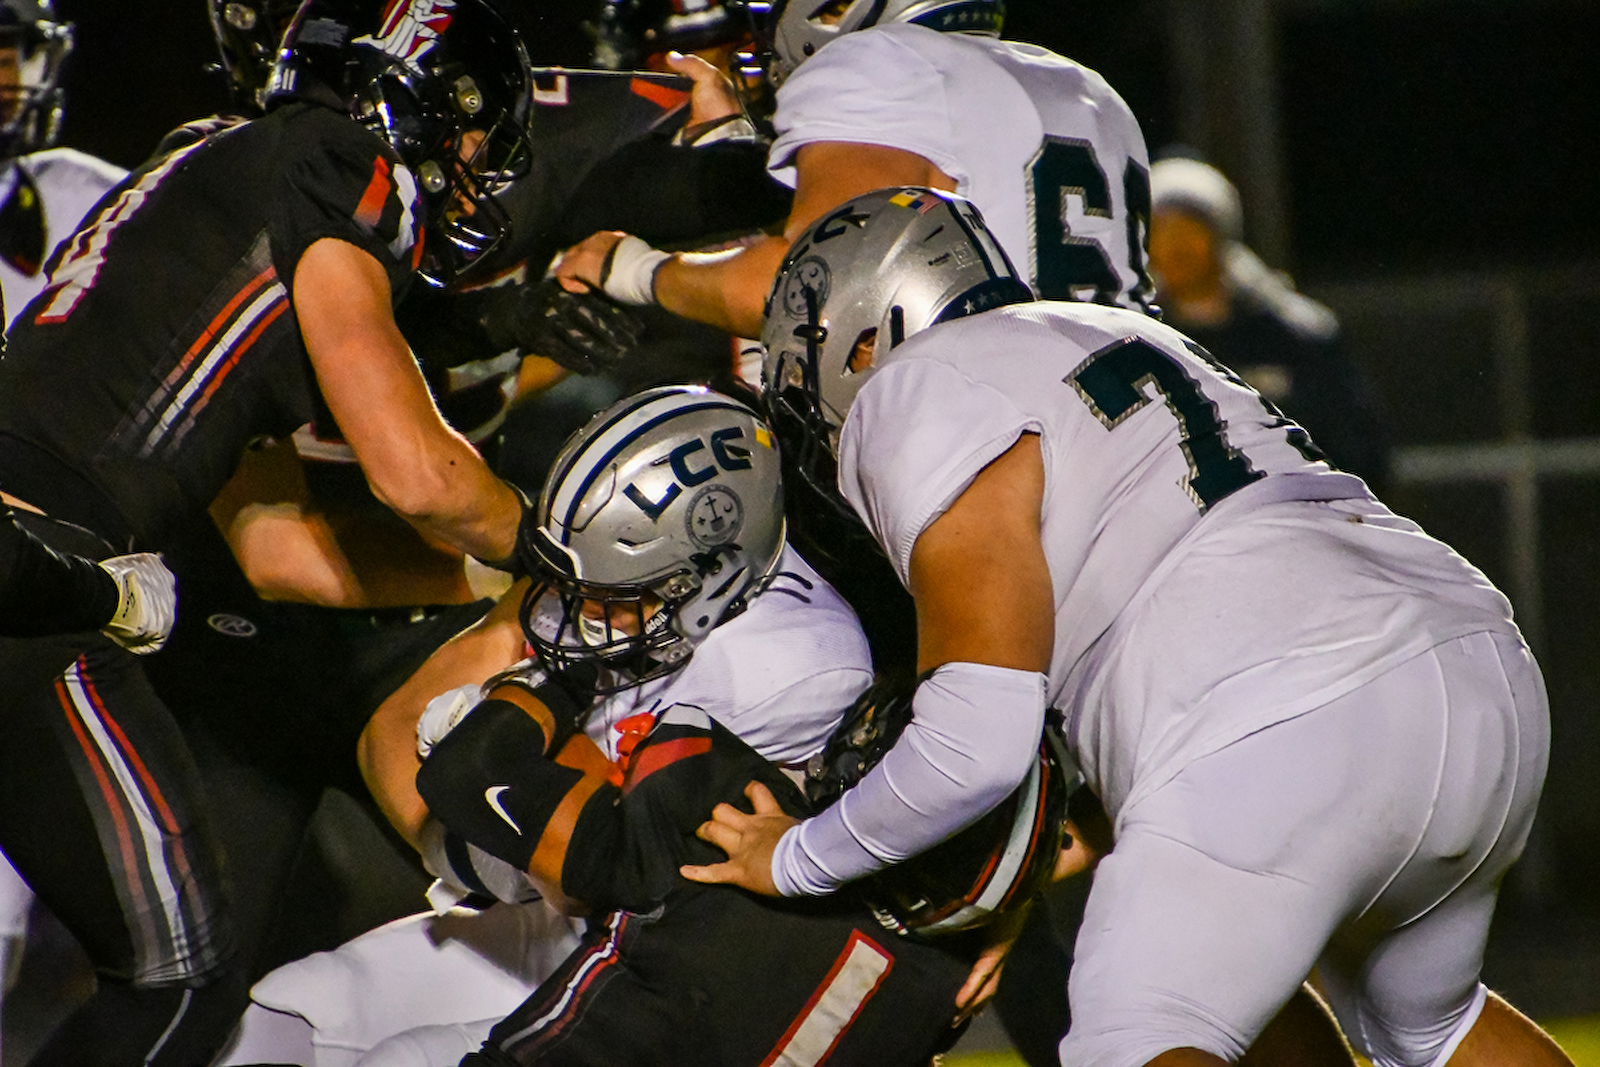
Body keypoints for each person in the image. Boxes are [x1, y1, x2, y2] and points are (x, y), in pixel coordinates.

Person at [681, 186, 1571, 1067]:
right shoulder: (1114, 330)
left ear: (861, 338)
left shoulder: (912, 386)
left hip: (1279, 706)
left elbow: (974, 739)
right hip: (1474, 667)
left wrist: (797, 856)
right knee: (1428, 1027)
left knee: (1131, 1042)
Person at [0, 0, 539, 1061]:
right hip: (40, 576)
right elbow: (419, 473)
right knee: (181, 981)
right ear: (419, 96)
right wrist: (562, 544)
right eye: (475, 136)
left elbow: (272, 549)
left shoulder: (214, 165)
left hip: (31, 549)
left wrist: (486, 579)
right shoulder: (334, 164)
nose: (473, 168)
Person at [217, 386, 998, 1067]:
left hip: (658, 959)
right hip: (575, 909)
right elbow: (401, 747)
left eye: (611, 595)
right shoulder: (639, 576)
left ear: (710, 580)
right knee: (291, 1017)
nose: (578, 613)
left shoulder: (789, 672)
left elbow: (577, 859)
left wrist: (505, 760)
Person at [552, 0, 1153, 344]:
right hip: (1129, 411)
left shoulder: (878, 61)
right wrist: (727, 145)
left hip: (984, 425)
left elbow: (815, 293)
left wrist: (634, 269)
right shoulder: (1087, 88)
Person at [1148, 155, 1391, 493]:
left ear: (1221, 233)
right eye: (1161, 230)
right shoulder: (1142, 335)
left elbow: (1356, 448)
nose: (1175, 246)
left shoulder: (1297, 335)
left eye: (1189, 228)